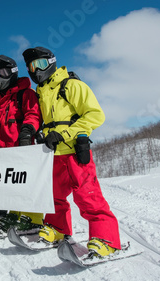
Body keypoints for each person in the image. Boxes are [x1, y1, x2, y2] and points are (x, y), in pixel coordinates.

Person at [22, 47, 121, 257]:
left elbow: (95, 115)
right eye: (31, 66)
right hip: (54, 154)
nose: (35, 70)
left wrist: (64, 134)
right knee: (54, 195)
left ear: (51, 62)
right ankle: (58, 230)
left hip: (76, 151)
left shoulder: (71, 85)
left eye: (39, 64)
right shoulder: (41, 92)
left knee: (88, 196)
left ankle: (107, 239)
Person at [0, 55, 44, 234]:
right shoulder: (1, 101)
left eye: (3, 72)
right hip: (3, 152)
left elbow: (33, 114)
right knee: (12, 187)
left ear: (13, 73)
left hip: (22, 149)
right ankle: (15, 215)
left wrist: (27, 131)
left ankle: (33, 219)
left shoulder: (25, 94)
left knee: (27, 186)